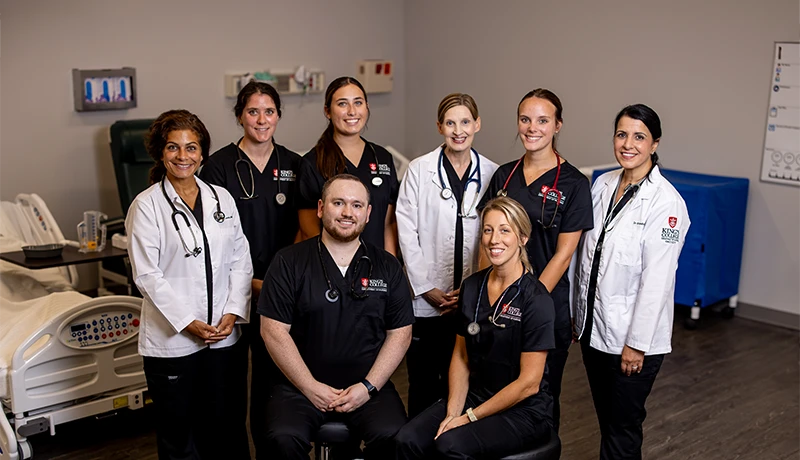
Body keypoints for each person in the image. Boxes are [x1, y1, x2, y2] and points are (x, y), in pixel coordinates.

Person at [126, 110, 253, 459]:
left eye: (191, 147)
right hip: (174, 343)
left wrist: (233, 311)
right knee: (180, 437)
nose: (183, 156)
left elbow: (241, 258)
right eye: (173, 147)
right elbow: (147, 275)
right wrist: (188, 322)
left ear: (202, 153)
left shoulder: (221, 199)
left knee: (227, 428)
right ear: (160, 152)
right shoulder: (147, 206)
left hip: (224, 338)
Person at [258, 174, 413, 459]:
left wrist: (368, 387)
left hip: (368, 386)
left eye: (356, 205)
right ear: (320, 208)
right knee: (282, 439)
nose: (346, 213)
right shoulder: (288, 261)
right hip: (298, 386)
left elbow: (400, 334)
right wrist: (310, 387)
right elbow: (273, 331)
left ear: (368, 214)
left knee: (395, 437)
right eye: (338, 203)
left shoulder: (387, 266)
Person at [395, 197, 555, 459]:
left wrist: (469, 418)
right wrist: (452, 412)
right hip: (476, 395)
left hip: (523, 410)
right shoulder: (472, 287)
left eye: (505, 230)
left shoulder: (536, 300)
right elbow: (461, 356)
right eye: (488, 230)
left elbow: (529, 384)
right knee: (407, 439)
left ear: (523, 238)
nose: (494, 240)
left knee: (450, 446)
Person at [572, 104, 690, 460]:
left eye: (639, 137)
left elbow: (657, 281)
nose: (628, 144)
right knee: (609, 424)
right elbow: (586, 257)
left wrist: (636, 345)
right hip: (594, 332)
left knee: (622, 429)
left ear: (654, 144)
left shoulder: (666, 203)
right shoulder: (603, 184)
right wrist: (575, 318)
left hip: (633, 344)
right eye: (622, 134)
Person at [480, 88, 593, 431]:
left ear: (557, 125)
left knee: (540, 395)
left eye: (543, 120)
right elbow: (489, 239)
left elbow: (563, 254)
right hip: (497, 301)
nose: (532, 128)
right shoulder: (504, 176)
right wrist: (492, 298)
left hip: (544, 304)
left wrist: (526, 302)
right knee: (495, 388)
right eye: (525, 119)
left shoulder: (574, 183)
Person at [199, 80, 302, 457]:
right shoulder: (218, 167)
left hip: (280, 292)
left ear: (278, 116)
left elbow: (304, 227)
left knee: (271, 385)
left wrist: (276, 283)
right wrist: (249, 282)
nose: (262, 119)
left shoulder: (293, 164)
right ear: (240, 115)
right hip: (231, 290)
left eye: (269, 111)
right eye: (253, 111)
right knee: (227, 385)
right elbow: (213, 236)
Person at [396, 93, 498, 418]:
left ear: (477, 124)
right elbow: (405, 230)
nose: (458, 130)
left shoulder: (493, 174)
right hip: (427, 300)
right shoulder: (419, 170)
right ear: (440, 126)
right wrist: (426, 287)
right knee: (424, 384)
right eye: (450, 123)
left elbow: (493, 237)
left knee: (466, 381)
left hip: (469, 299)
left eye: (465, 122)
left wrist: (469, 292)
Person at [296, 76, 400, 255]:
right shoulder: (313, 162)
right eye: (343, 104)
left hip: (375, 270)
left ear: (366, 106)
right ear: (328, 111)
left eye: (358, 102)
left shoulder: (382, 158)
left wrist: (389, 268)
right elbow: (309, 230)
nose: (352, 111)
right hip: (332, 268)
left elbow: (388, 224)